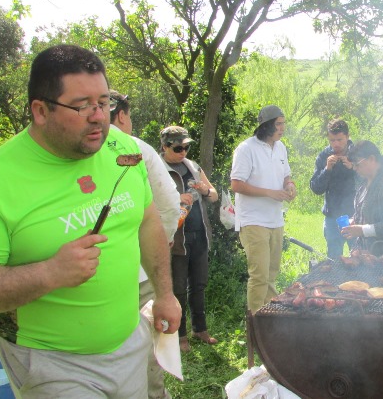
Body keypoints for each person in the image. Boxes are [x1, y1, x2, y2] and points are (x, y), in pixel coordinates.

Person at [0, 45, 181, 399]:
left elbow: (147, 222)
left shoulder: (122, 150)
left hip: (128, 345)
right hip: (51, 362)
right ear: (41, 110)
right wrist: (50, 273)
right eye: (82, 106)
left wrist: (164, 294)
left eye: (103, 103)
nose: (98, 117)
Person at [110, 91, 180, 399]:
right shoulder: (135, 148)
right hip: (140, 274)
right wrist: (161, 242)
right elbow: (170, 204)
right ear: (122, 116)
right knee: (148, 345)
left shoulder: (64, 148)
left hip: (88, 280)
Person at [160, 125, 219, 352]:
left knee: (199, 284)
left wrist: (204, 191)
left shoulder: (193, 166)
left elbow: (213, 196)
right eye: (178, 148)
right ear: (165, 147)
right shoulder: (157, 169)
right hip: (176, 238)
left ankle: (200, 329)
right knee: (178, 288)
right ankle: (180, 335)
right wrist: (176, 198)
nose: (183, 152)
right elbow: (150, 202)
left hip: (199, 234)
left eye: (186, 147)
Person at [230, 105, 295, 313]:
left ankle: (270, 321)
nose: (282, 128)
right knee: (259, 277)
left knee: (272, 275)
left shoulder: (281, 147)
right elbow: (236, 184)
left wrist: (289, 185)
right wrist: (269, 193)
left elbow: (286, 175)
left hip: (276, 219)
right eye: (278, 124)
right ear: (266, 126)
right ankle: (255, 324)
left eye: (283, 123)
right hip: (253, 221)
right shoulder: (246, 149)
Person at [309, 118, 358, 259]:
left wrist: (353, 168)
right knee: (334, 260)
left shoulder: (358, 153)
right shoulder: (324, 156)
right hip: (332, 217)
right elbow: (316, 188)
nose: (336, 144)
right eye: (332, 140)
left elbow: (369, 182)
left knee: (359, 257)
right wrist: (327, 169)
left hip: (356, 215)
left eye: (339, 140)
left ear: (347, 136)